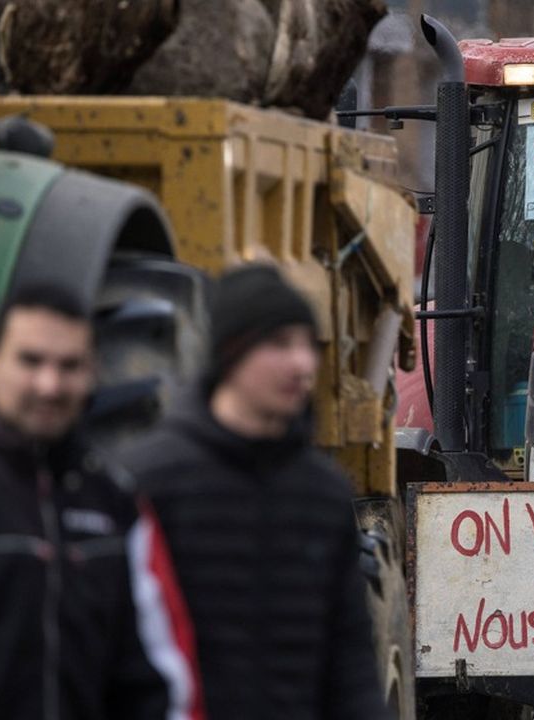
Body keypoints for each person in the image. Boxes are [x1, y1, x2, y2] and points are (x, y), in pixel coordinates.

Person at [0, 282, 201, 720]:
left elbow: (161, 683)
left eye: (69, 366)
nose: (49, 385)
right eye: (31, 361)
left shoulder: (116, 504)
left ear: (93, 373)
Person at [122, 264, 390, 720]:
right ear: (231, 351)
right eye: (280, 344)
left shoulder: (322, 493)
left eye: (308, 345)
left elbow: (350, 662)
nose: (303, 364)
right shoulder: (151, 480)